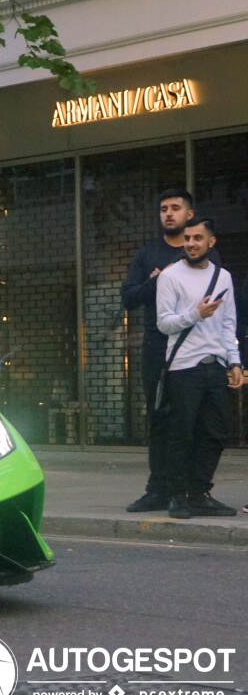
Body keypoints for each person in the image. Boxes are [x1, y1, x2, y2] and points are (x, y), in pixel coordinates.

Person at [119, 189, 220, 512]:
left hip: (197, 351)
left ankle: (193, 490)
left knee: (199, 424)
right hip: (157, 349)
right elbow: (129, 297)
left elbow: (221, 301)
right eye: (163, 208)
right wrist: (158, 281)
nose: (169, 213)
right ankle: (158, 489)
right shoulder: (147, 255)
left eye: (176, 208)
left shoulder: (206, 254)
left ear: (190, 214)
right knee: (160, 420)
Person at [155, 218, 241, 519]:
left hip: (215, 366)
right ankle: (177, 496)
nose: (191, 243)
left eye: (197, 238)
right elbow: (164, 323)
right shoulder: (170, 277)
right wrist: (196, 313)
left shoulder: (223, 277)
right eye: (187, 238)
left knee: (217, 432)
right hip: (184, 367)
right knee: (183, 433)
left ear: (211, 242)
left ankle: (199, 492)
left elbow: (228, 324)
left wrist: (234, 361)